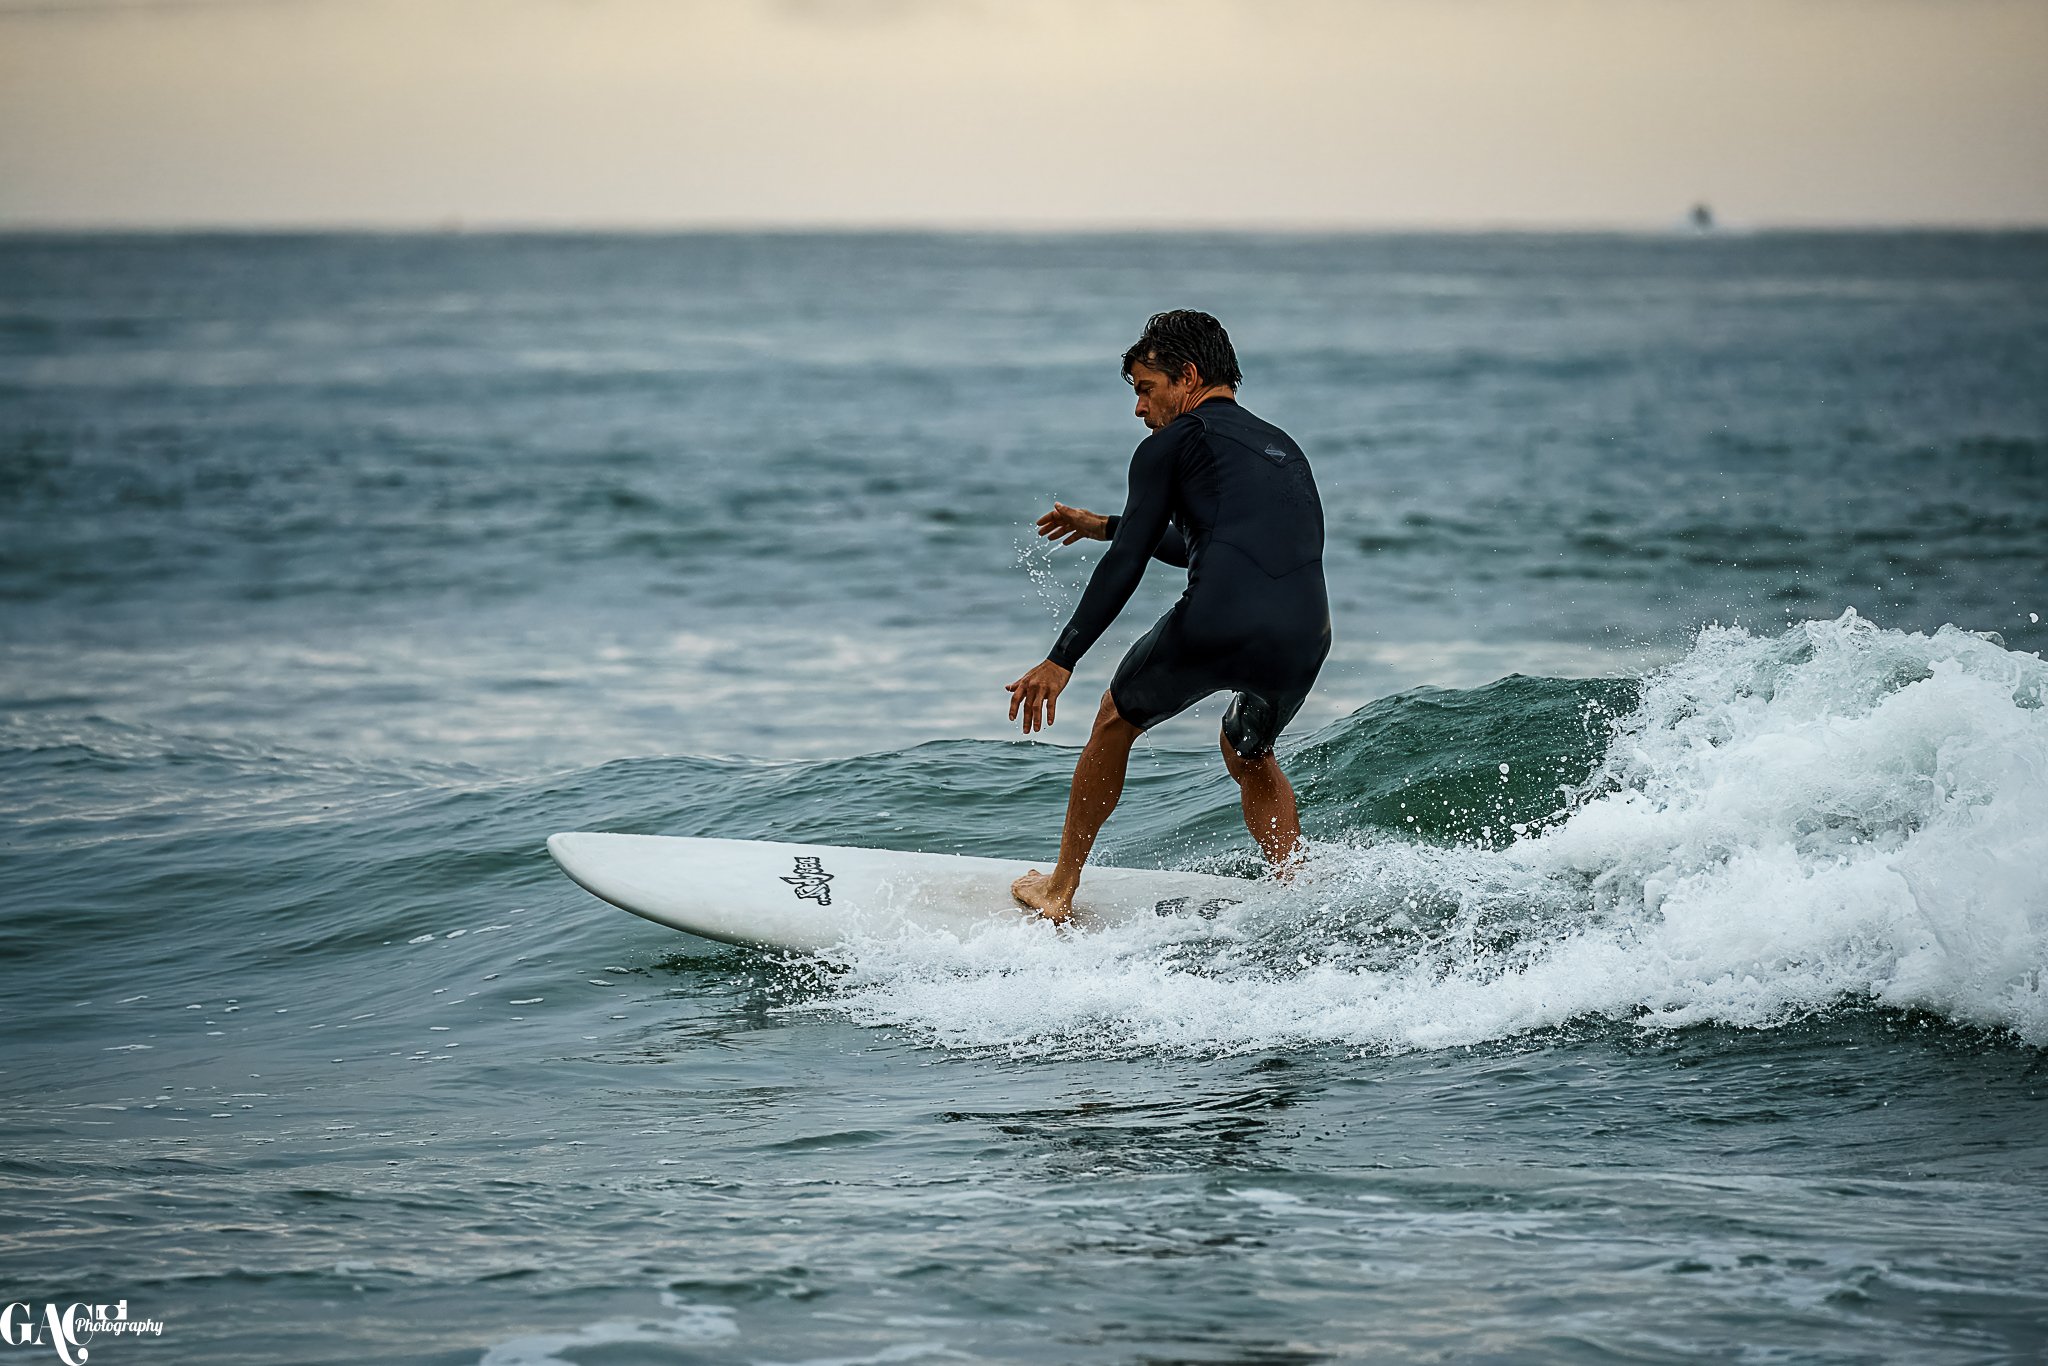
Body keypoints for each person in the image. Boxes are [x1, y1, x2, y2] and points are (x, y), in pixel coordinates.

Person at [1005, 310, 1331, 923]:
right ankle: (1299, 891)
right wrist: (1102, 526)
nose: (1138, 409)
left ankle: (1059, 890)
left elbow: (1130, 562)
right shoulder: (1281, 447)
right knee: (1248, 750)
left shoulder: (1171, 444)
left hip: (1219, 621)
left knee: (1115, 719)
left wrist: (1061, 658)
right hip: (1305, 635)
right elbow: (1213, 547)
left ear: (1186, 376)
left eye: (1144, 389)